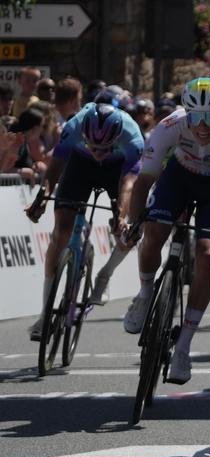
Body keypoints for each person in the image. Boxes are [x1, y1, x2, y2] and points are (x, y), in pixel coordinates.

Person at [103, 78, 210, 384]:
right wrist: (134, 224)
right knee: (154, 234)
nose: (202, 126)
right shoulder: (169, 125)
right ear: (187, 113)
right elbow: (144, 181)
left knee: (207, 254)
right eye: (195, 116)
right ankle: (145, 295)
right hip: (179, 179)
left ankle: (183, 346)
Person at [24, 102, 144, 340]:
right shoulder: (74, 126)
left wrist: (119, 216)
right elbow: (55, 168)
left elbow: (129, 184)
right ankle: (45, 312)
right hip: (80, 166)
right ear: (84, 135)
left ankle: (105, 275)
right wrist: (42, 197)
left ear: (117, 137)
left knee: (129, 230)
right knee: (61, 232)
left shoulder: (133, 138)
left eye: (104, 147)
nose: (98, 152)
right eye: (93, 145)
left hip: (116, 171)